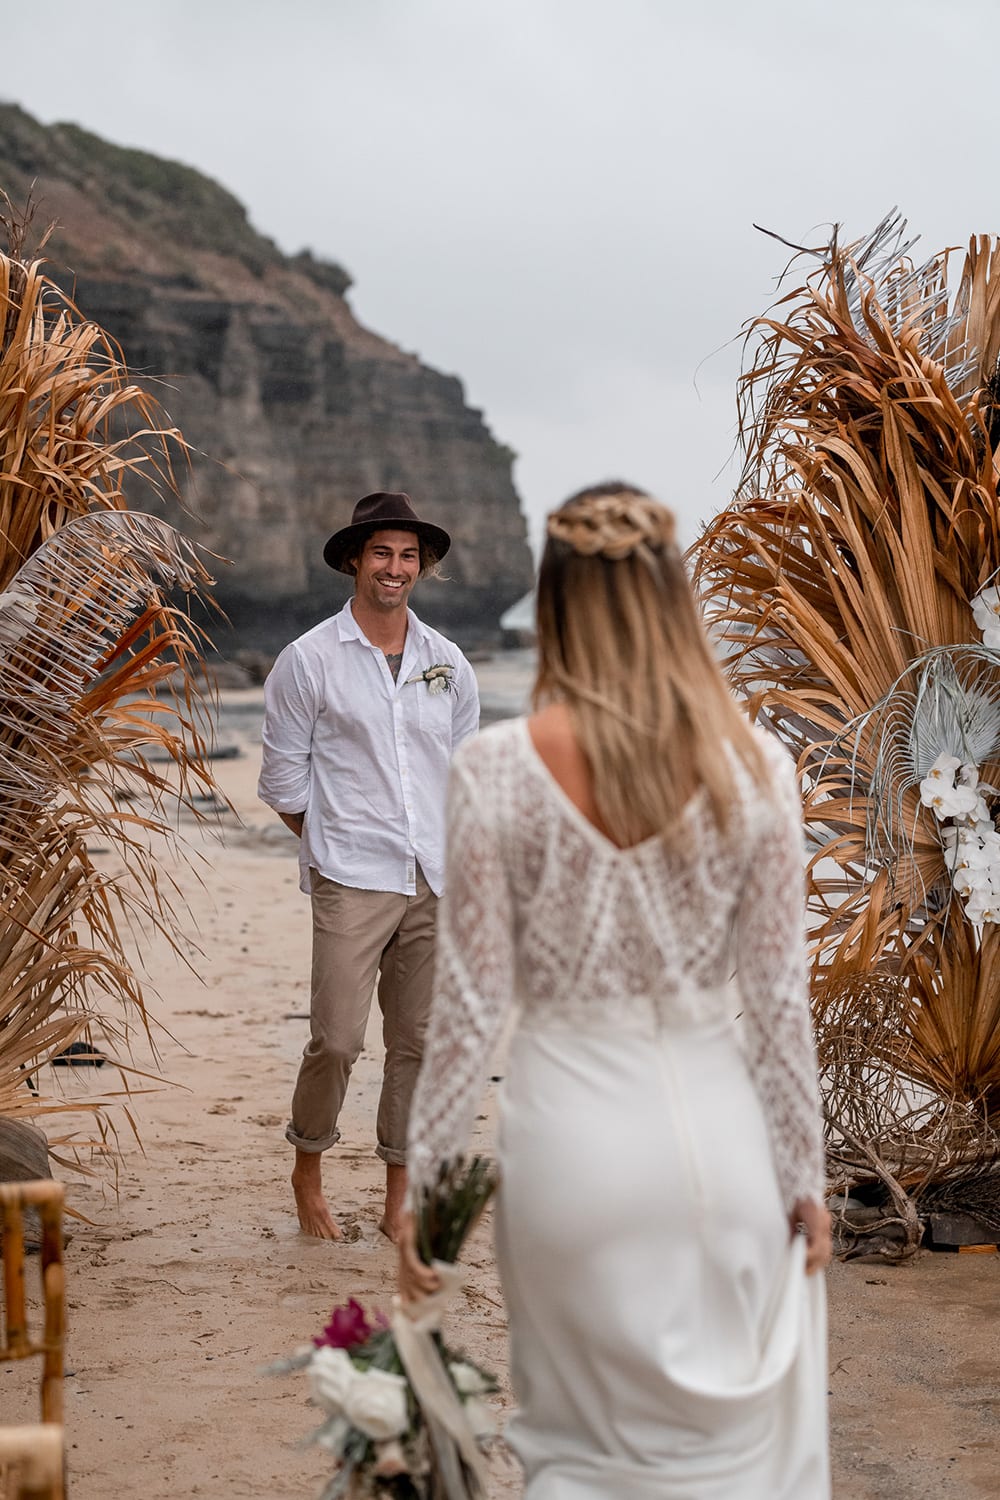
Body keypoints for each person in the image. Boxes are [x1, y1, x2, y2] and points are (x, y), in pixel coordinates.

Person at [399, 483, 832, 1498]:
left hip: (569, 1151)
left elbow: (464, 1009)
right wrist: (803, 1175)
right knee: (730, 1452)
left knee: (575, 1450)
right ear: (673, 598)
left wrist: (425, 1196)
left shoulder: (496, 769)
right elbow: (776, 1003)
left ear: (551, 603)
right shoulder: (758, 767)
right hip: (717, 1147)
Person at [258, 491, 480, 1242]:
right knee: (339, 1040)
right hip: (350, 877)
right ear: (355, 560)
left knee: (416, 1043)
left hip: (435, 880)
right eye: (382, 552)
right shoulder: (309, 660)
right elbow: (283, 781)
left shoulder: (446, 663)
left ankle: (398, 1195)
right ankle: (308, 1168)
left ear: (424, 566)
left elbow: (462, 773)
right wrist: (331, 845)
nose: (396, 567)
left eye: (409, 555)